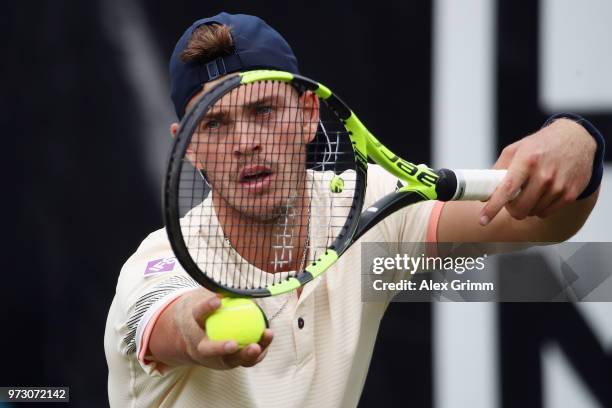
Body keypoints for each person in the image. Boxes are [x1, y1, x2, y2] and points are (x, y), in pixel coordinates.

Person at [104, 12, 604, 407]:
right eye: (214, 125)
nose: (245, 143)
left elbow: (539, 222)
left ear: (306, 115)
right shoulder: (159, 263)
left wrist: (580, 143)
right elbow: (164, 319)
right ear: (187, 147)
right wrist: (194, 330)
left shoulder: (366, 207)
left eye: (263, 111)